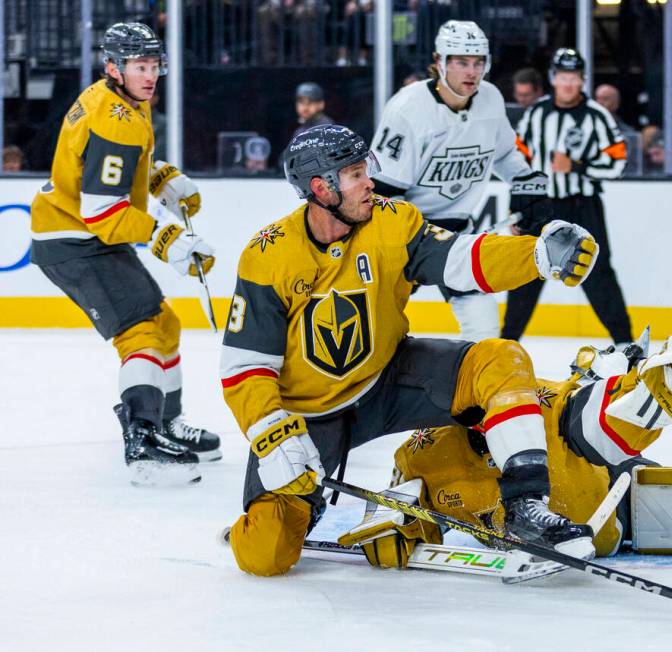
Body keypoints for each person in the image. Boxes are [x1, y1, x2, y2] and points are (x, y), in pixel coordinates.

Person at [220, 124, 601, 576]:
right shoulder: (268, 254)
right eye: (356, 174)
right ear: (321, 188)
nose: (370, 183)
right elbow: (247, 366)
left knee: (499, 359)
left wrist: (535, 256)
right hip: (308, 413)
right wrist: (272, 435)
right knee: (264, 555)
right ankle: (290, 511)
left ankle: (526, 506)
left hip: (388, 379)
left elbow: (460, 259)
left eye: (367, 170)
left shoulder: (392, 220)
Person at [340, 334, 672, 564]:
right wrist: (396, 527)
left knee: (620, 454)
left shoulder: (538, 401)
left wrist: (641, 397)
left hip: (613, 501)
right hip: (576, 528)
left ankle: (662, 407)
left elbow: (589, 418)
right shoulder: (423, 449)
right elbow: (402, 501)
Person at [29, 23, 221, 485]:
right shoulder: (115, 118)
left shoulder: (116, 100)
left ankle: (168, 423)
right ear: (114, 67)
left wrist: (157, 177)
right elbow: (102, 210)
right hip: (75, 241)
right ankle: (144, 444)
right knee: (140, 333)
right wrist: (167, 239)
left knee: (164, 323)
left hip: (80, 235)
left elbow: (102, 171)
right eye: (140, 66)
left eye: (154, 66)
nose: (150, 75)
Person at [368, 20, 549, 341]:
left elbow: (506, 155)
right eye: (462, 62)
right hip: (401, 230)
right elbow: (381, 191)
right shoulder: (408, 109)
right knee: (376, 324)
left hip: (455, 231)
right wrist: (411, 237)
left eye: (478, 62)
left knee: (483, 323)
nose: (472, 72)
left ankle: (478, 385)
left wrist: (527, 185)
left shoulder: (490, 99)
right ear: (440, 63)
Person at [503, 48, 632, 345]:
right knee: (527, 274)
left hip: (582, 204)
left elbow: (619, 162)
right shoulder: (537, 114)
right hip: (542, 207)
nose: (568, 84)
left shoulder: (597, 116)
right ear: (552, 79)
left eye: (574, 78)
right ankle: (507, 344)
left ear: (583, 80)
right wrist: (518, 208)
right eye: (563, 77)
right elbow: (519, 163)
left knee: (598, 273)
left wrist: (576, 166)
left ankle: (626, 344)